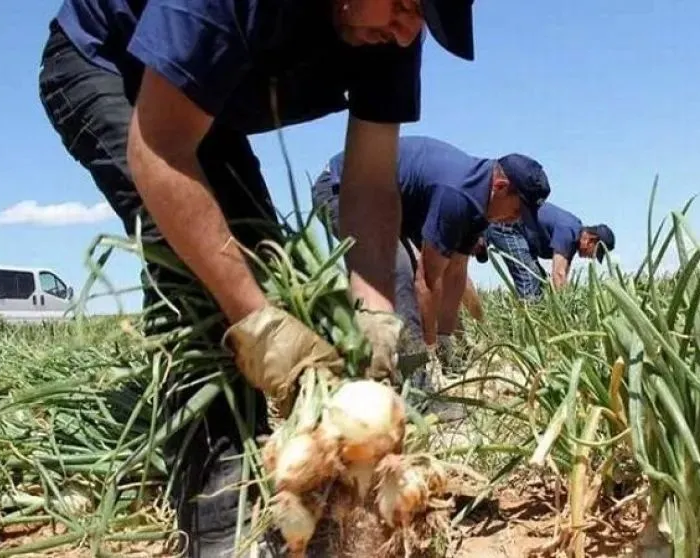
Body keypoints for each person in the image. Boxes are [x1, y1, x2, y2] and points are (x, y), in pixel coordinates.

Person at [37, 1, 476, 555]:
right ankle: (216, 519)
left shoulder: (393, 32)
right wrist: (257, 321)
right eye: (409, 4)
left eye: (426, 21)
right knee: (209, 281)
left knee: (255, 257)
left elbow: (368, 183)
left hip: (199, 98)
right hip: (106, 63)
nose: (411, 29)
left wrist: (374, 315)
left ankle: (305, 490)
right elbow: (161, 149)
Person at [312, 135, 551, 405]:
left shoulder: (481, 206)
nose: (517, 219)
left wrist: (445, 339)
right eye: (518, 209)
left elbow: (456, 273)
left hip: (391, 206)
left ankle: (409, 366)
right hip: (343, 188)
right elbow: (427, 280)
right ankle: (417, 389)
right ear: (500, 185)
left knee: (411, 272)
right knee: (399, 273)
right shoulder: (458, 194)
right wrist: (429, 350)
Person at [475, 202, 615, 300]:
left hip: (520, 233)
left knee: (542, 283)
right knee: (530, 279)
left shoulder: (573, 239)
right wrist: (567, 314)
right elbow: (558, 275)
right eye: (595, 253)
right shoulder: (569, 231)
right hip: (507, 227)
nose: (592, 258)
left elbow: (562, 276)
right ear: (591, 240)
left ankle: (482, 237)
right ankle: (528, 330)